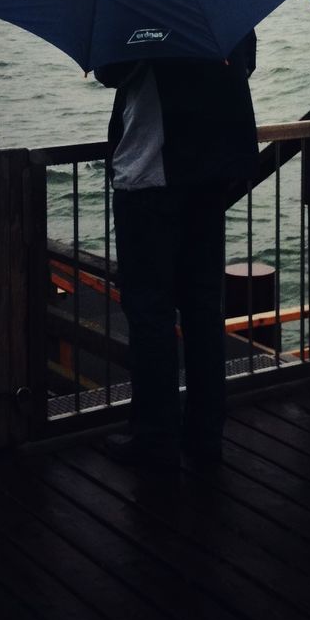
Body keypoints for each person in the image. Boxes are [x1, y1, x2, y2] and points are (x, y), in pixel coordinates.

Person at [94, 32, 260, 467]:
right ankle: (206, 433)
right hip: (209, 174)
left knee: (150, 311)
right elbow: (247, 61)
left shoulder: (141, 11)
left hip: (150, 175)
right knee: (204, 307)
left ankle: (155, 435)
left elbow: (109, 71)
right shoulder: (220, 7)